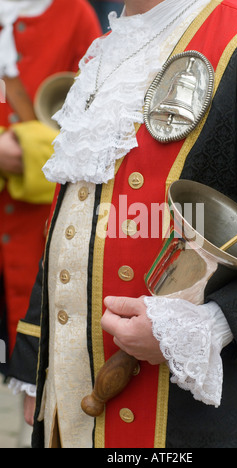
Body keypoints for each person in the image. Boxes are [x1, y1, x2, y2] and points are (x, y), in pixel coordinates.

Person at [10, 0, 237, 448]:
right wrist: (37, 367)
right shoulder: (106, 48)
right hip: (69, 412)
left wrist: (211, 325)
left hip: (190, 424)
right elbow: (71, 220)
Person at [0, 1, 101, 372]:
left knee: (35, 365)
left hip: (41, 225)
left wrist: (29, 151)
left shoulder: (73, 12)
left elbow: (96, 115)